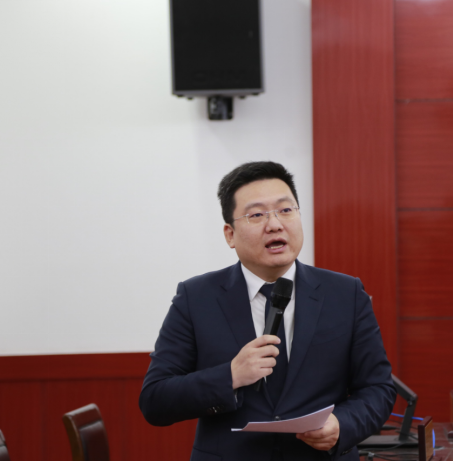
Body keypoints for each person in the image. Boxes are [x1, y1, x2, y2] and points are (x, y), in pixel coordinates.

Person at [140, 161, 396, 461]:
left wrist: (342, 425)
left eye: (286, 210)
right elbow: (155, 399)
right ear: (230, 234)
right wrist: (230, 375)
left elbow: (378, 388)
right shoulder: (196, 297)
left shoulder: (345, 293)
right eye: (257, 215)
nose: (274, 224)